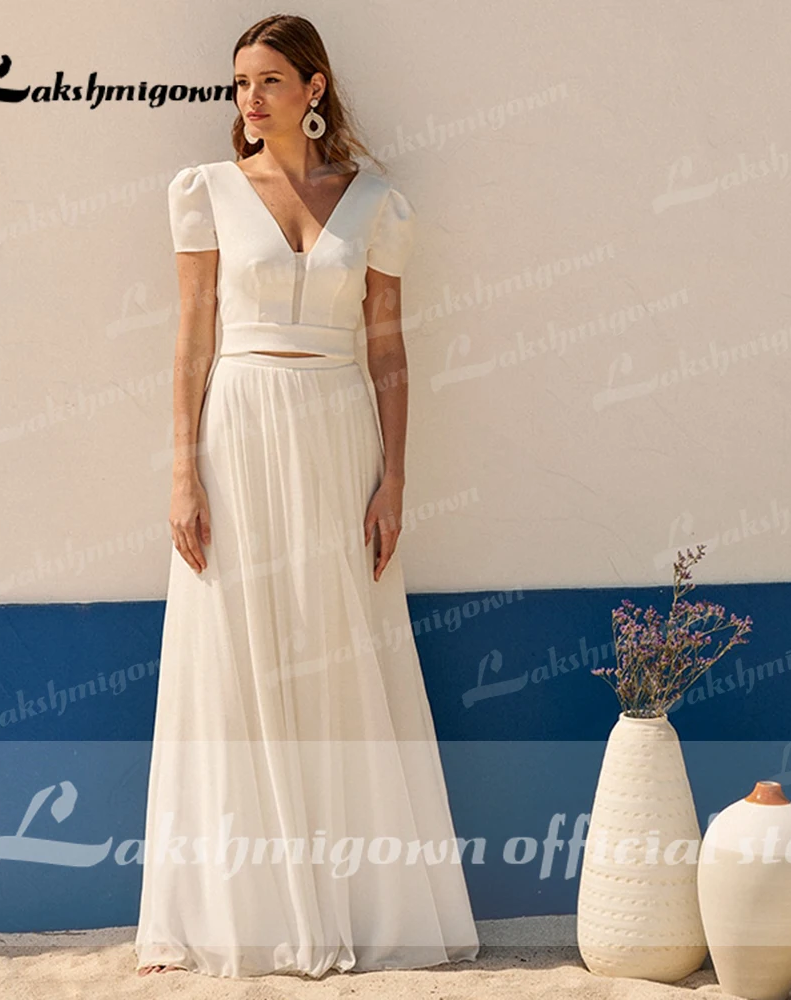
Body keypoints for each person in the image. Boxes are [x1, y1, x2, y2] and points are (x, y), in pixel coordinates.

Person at [133, 13, 480, 980]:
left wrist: (395, 477)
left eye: (270, 81)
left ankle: (357, 902)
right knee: (232, 650)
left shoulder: (376, 203)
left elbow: (387, 347)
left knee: (340, 647)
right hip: (237, 432)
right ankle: (235, 910)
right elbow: (192, 337)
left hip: (337, 435)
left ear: (314, 88)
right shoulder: (204, 193)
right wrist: (182, 472)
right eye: (240, 82)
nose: (250, 99)